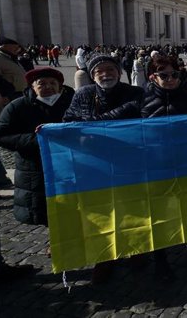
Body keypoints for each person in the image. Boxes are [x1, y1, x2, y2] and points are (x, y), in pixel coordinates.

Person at [63, 55, 145, 284]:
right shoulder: (83, 94)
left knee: (133, 207)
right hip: (95, 163)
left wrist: (95, 122)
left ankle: (137, 248)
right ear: (92, 75)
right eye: (100, 71)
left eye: (110, 69)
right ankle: (105, 257)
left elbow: (141, 117)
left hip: (129, 161)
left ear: (119, 73)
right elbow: (68, 120)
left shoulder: (135, 93)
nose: (105, 74)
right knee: (100, 211)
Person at [140, 55, 187, 281]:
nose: (170, 79)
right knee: (159, 214)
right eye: (164, 75)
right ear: (153, 76)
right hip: (156, 166)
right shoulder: (141, 100)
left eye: (174, 75)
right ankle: (160, 258)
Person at [0, 68, 74, 226]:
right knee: (43, 209)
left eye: (53, 83)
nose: (48, 86)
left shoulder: (71, 103)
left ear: (60, 86)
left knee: (71, 207)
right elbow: (0, 134)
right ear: (32, 86)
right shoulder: (17, 106)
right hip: (34, 168)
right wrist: (37, 140)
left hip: (68, 165)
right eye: (42, 83)